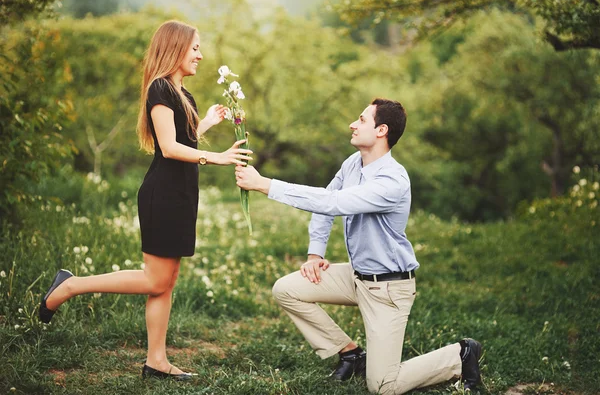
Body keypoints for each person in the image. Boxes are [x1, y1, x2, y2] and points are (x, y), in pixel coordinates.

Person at [38, 20, 253, 381]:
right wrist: (215, 157)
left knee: (165, 281)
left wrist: (205, 127)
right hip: (164, 194)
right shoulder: (160, 89)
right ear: (175, 48)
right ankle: (70, 285)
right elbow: (168, 148)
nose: (200, 54)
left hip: (181, 196)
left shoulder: (185, 95)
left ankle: (156, 362)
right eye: (195, 47)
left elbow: (183, 140)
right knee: (155, 280)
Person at [234, 98, 482, 394]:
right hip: (357, 277)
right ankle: (351, 353)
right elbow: (324, 204)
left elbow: (333, 203)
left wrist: (265, 185)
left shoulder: (392, 180)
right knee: (286, 290)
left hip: (387, 290)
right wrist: (316, 253)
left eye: (362, 120)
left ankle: (460, 355)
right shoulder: (353, 164)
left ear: (382, 130)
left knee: (383, 387)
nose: (353, 124)